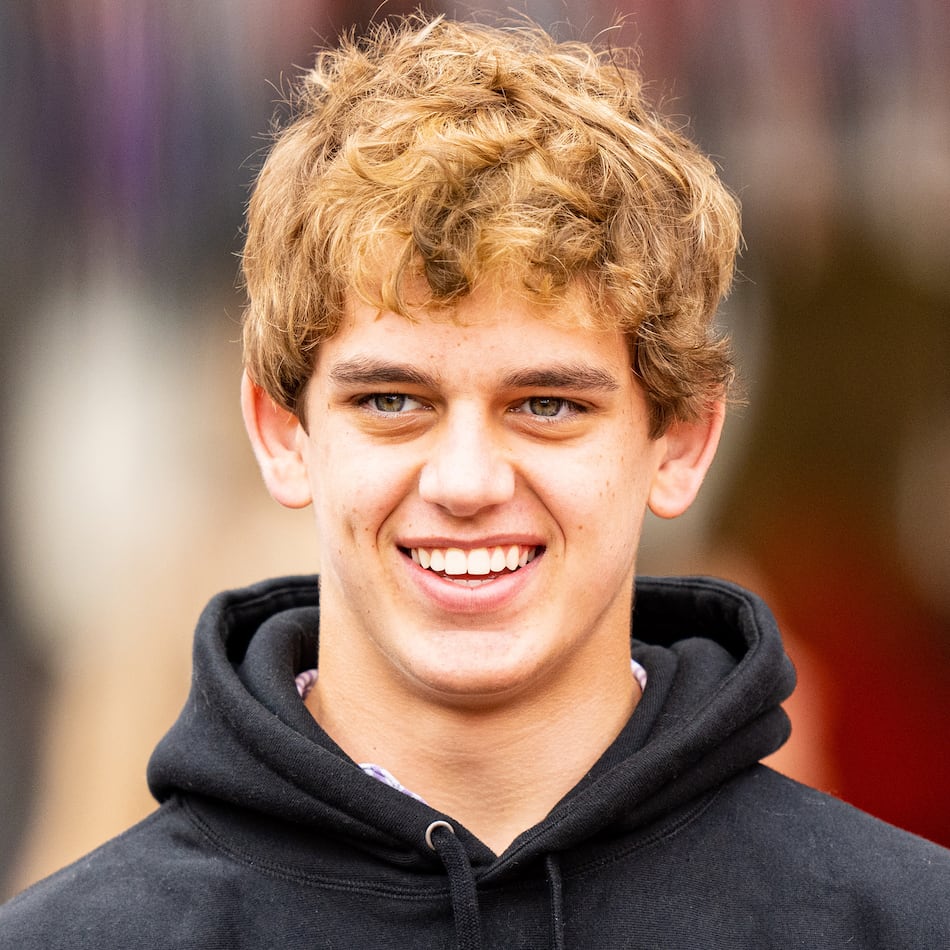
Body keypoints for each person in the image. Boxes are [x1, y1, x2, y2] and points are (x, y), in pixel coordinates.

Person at [2, 14, 948, 949]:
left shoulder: (902, 923)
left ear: (681, 442)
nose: (464, 480)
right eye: (391, 400)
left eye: (546, 405)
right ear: (282, 432)